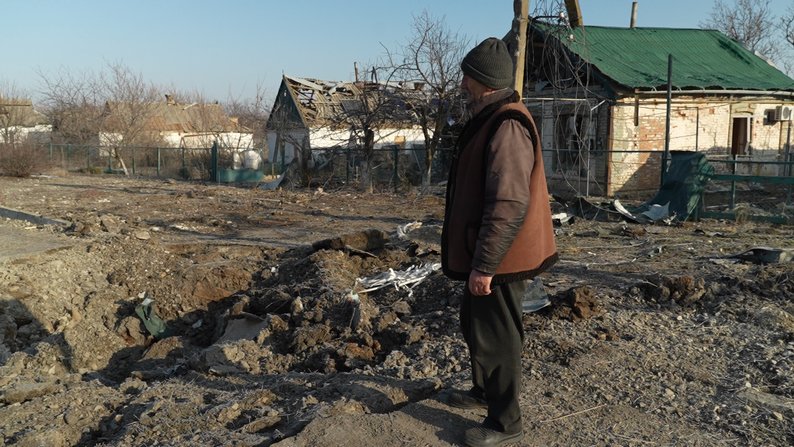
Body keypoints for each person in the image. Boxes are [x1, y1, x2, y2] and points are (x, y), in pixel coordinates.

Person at [441, 37, 558, 447]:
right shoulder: (491, 116)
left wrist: (486, 265)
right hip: (488, 251)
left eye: (468, 78)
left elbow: (509, 202)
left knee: (497, 335)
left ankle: (505, 423)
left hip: (503, 256)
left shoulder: (507, 124)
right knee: (475, 324)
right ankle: (483, 391)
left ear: (486, 81)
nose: (462, 84)